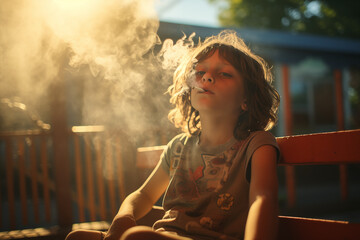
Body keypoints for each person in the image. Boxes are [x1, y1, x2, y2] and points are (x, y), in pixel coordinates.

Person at [66, 30, 280, 240]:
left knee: (139, 237)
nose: (207, 77)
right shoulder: (179, 146)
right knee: (78, 237)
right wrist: (123, 218)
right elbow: (145, 195)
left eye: (224, 73)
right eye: (199, 72)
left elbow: (263, 199)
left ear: (246, 100)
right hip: (164, 235)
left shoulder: (257, 144)